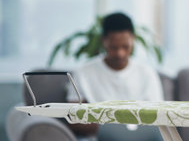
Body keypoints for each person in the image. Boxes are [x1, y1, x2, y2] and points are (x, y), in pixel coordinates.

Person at [66, 12, 164, 140]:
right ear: (103, 41)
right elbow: (74, 118)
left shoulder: (147, 73)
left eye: (125, 47)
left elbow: (159, 115)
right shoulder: (84, 72)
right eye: (114, 47)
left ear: (133, 39)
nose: (120, 53)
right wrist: (112, 131)